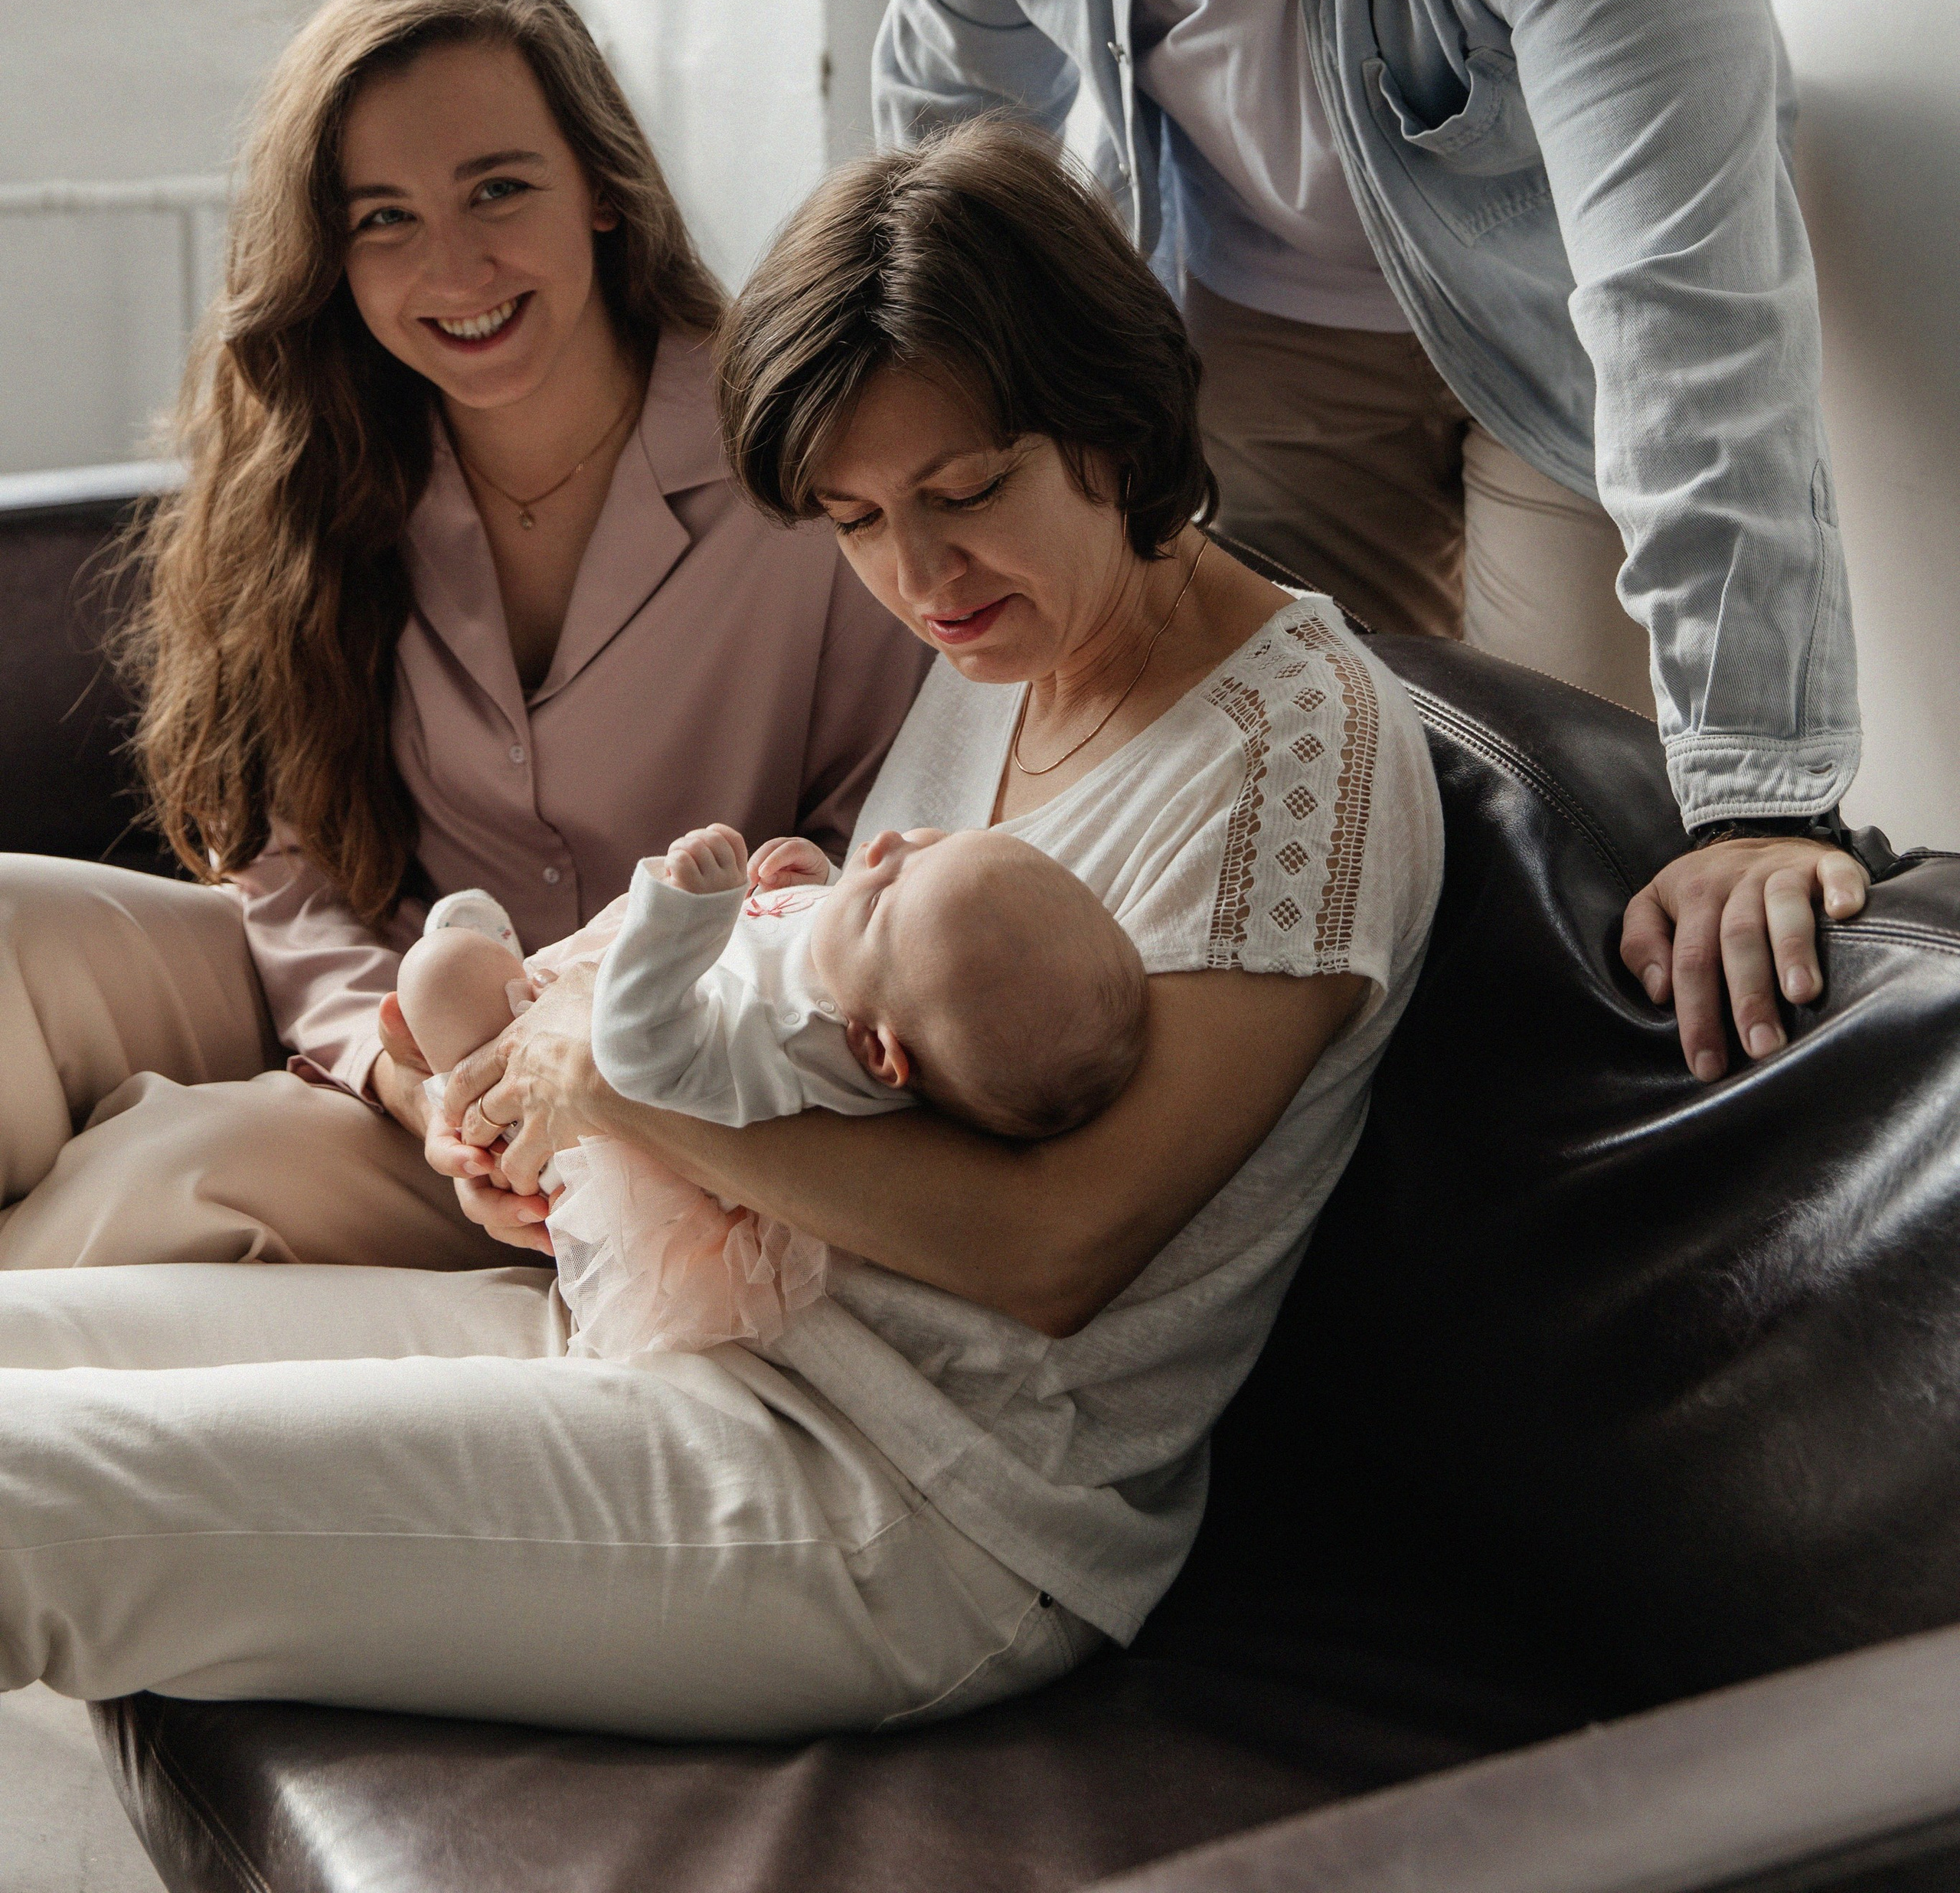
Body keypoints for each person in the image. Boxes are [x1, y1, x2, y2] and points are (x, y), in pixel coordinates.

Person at [0, 119, 1439, 1741]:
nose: (920, 577)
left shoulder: (1301, 753)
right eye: (855, 520)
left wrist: (612, 1085)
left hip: (907, 1501)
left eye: (964, 492)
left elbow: (1058, 1254)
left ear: (1115, 418)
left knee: (31, 1496)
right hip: (672, 1329)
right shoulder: (1011, 653)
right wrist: (561, 1111)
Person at [872, 0, 1867, 1080]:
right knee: (1247, 844)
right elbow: (955, 170)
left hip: (1561, 345)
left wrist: (1755, 790)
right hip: (1242, 325)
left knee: (1568, 872)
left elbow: (1677, 280)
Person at [0, 0, 923, 1276]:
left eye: (498, 189)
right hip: (396, 1027)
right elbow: (289, 868)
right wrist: (407, 1079)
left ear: (601, 188)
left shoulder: (792, 464)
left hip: (673, 1082)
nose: (455, 267)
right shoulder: (321, 472)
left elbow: (861, 851)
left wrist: (578, 1071)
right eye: (384, 217)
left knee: (173, 1174)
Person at [396, 818, 1147, 1355]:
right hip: (613, 1016)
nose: (885, 847)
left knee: (439, 972)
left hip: (613, 1102)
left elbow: (633, 1059)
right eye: (931, 846)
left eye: (880, 894)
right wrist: (823, 887)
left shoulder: (794, 1040)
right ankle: (493, 999)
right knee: (474, 987)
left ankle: (471, 1027)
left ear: (872, 1050)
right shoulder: (885, 988)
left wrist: (686, 917)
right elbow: (851, 949)